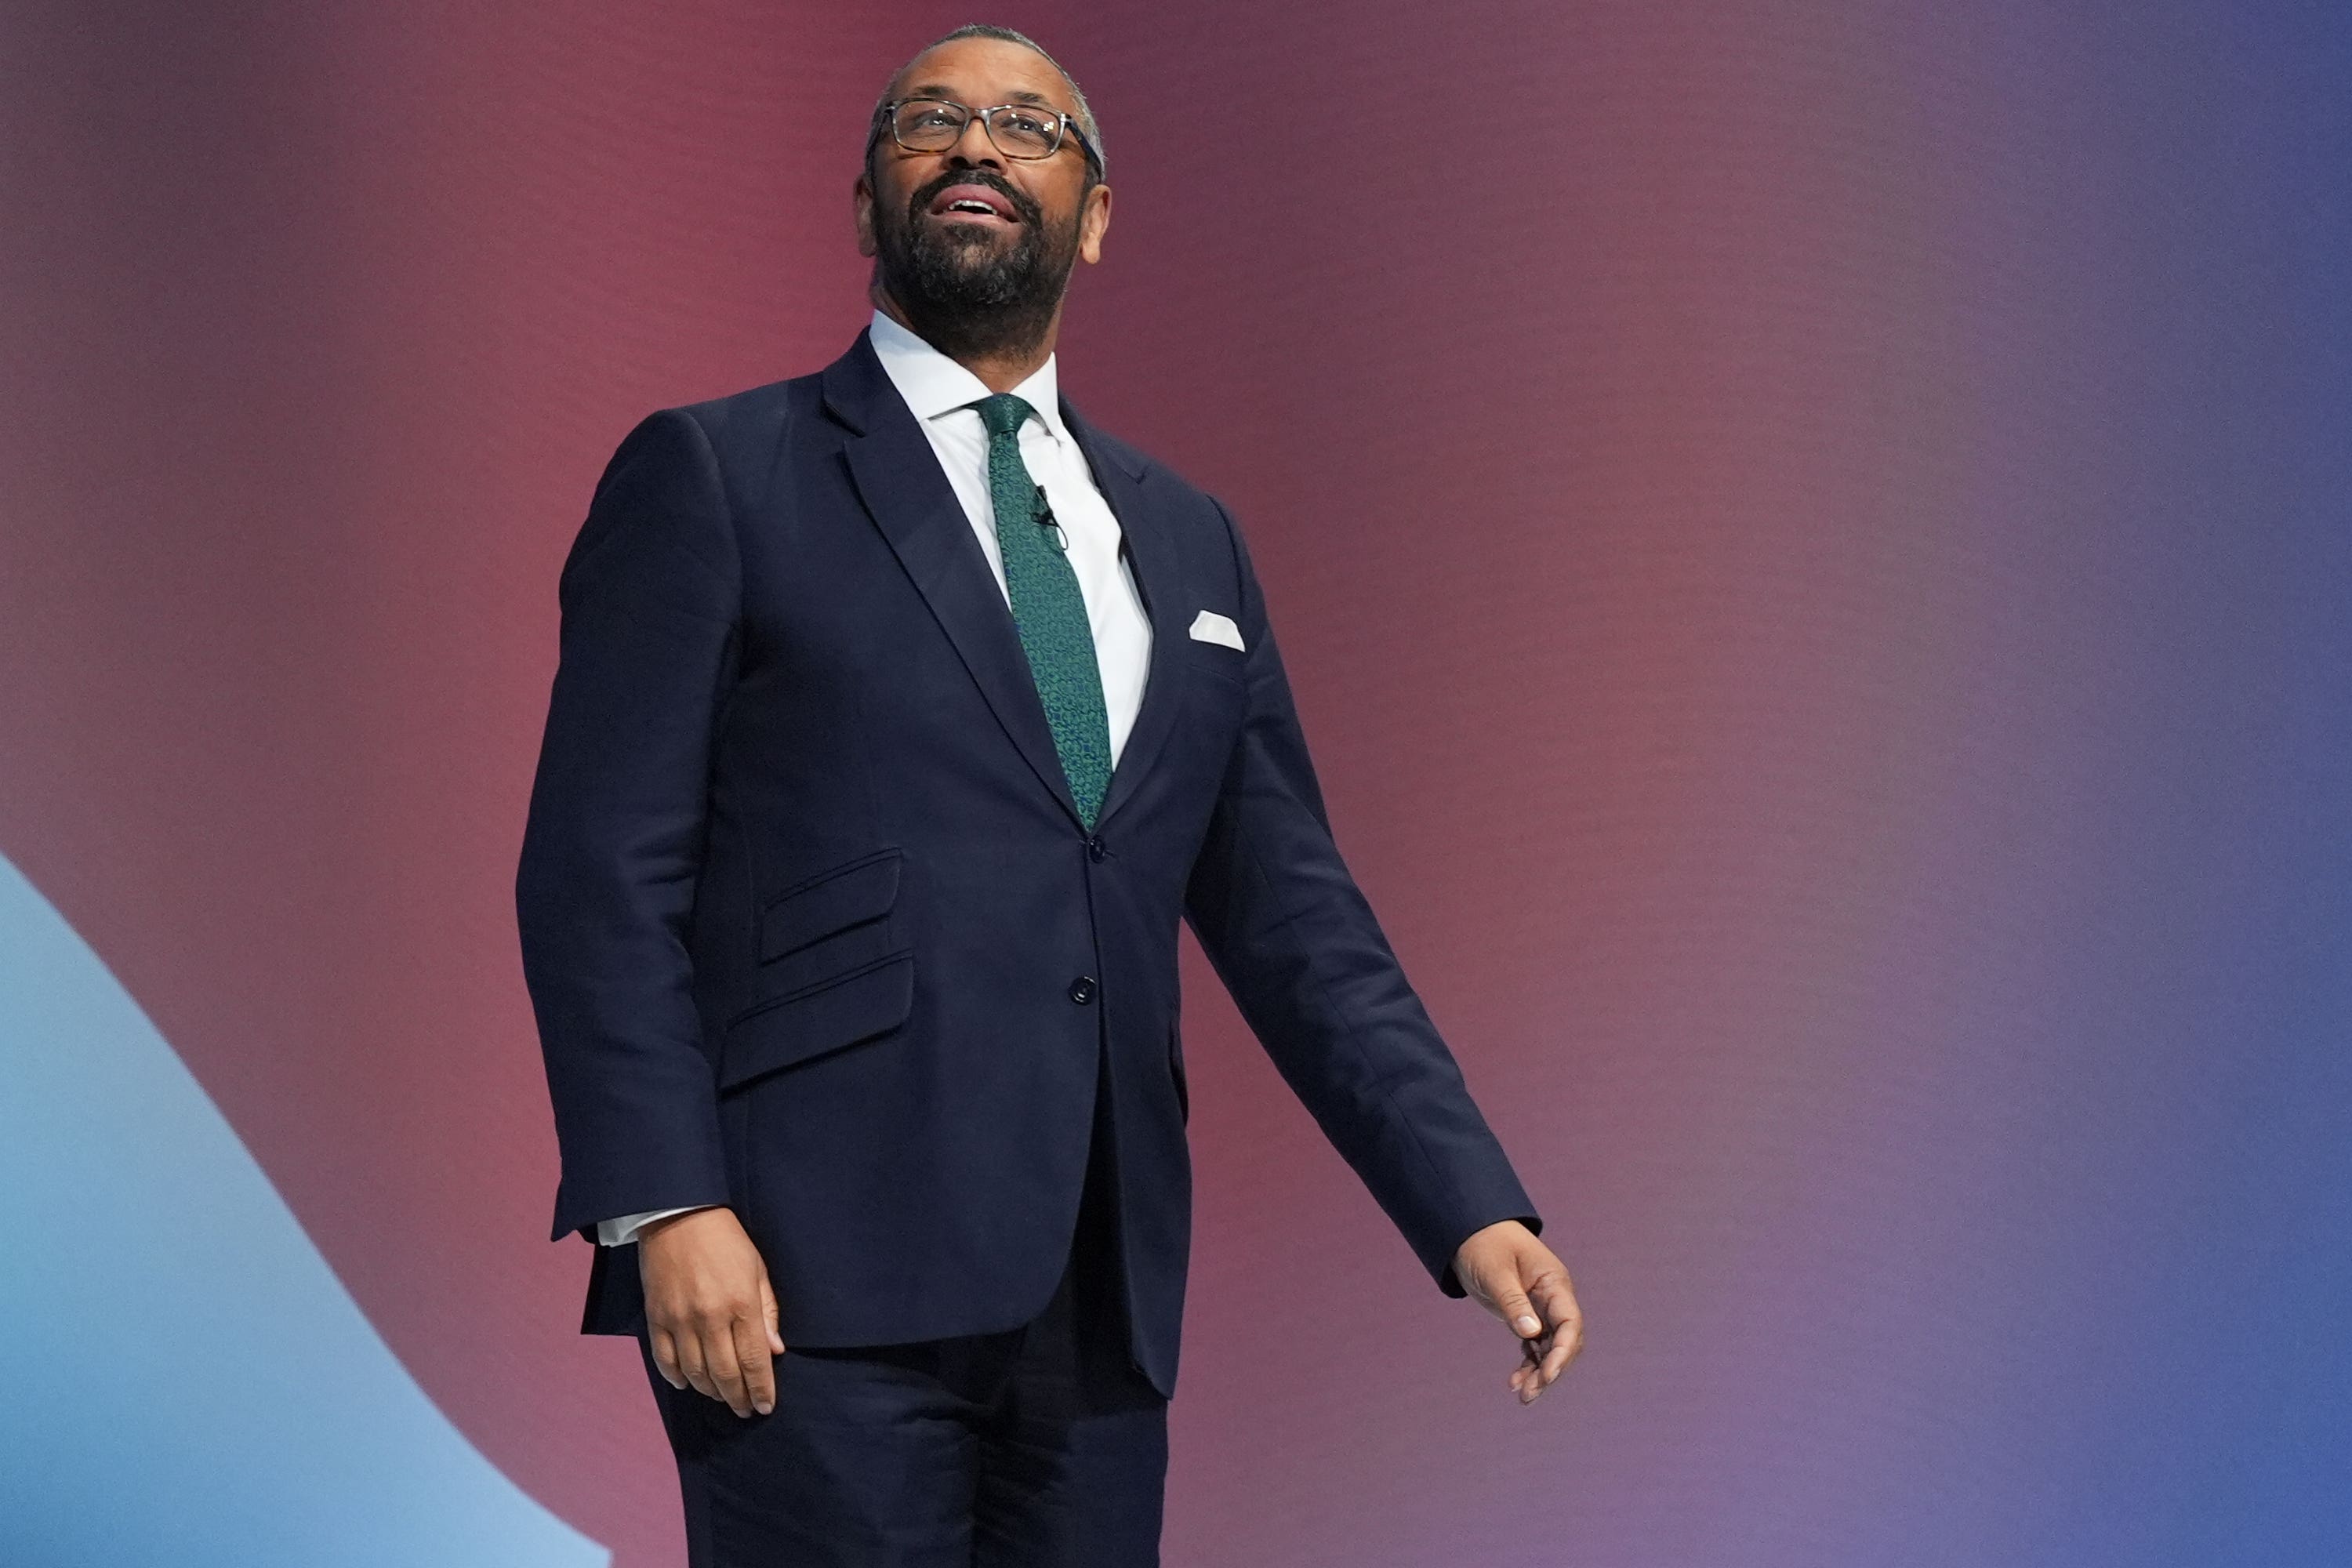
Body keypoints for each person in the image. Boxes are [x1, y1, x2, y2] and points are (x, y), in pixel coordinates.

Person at [515, 22, 1584, 1565]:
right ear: (866, 196)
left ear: (1093, 214)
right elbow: (598, 872)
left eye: (1027, 126)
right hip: (804, 1283)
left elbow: (1294, 913)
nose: (974, 146)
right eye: (929, 120)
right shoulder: (718, 475)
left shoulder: (1193, 538)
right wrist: (664, 1199)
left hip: (1098, 1294)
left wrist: (1470, 1200)